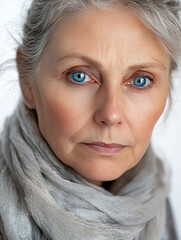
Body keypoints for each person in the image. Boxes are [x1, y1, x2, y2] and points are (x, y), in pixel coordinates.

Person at [0, 0, 180, 239]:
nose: (110, 114)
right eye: (80, 76)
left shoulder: (156, 208)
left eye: (140, 80)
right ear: (26, 80)